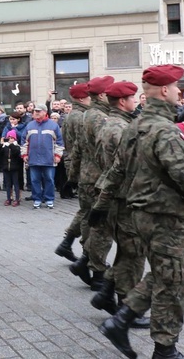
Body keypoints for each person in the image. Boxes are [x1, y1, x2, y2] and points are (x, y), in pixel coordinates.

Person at [99, 65, 184, 359]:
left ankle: (123, 322)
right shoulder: (164, 129)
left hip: (140, 213)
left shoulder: (136, 125)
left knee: (165, 274)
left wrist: (100, 205)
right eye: (176, 87)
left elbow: (117, 170)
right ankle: (163, 349)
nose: (178, 92)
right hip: (163, 215)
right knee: (172, 281)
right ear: (164, 90)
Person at [87, 81, 150, 330]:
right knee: (133, 255)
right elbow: (126, 167)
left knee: (126, 250)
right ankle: (127, 307)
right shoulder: (121, 127)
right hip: (125, 198)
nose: (135, 102)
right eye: (133, 99)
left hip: (115, 195)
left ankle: (106, 293)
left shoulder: (111, 123)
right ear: (123, 102)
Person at [68, 76, 115, 289]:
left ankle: (85, 260)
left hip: (88, 177)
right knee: (101, 226)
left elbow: (77, 148)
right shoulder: (99, 118)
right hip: (98, 179)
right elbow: (104, 152)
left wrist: (73, 175)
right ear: (103, 95)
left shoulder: (87, 114)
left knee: (92, 222)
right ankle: (96, 268)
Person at [54, 83, 91, 262]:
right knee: (89, 211)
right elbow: (80, 146)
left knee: (85, 210)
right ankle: (87, 256)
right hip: (84, 167)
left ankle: (67, 243)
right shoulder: (79, 117)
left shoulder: (72, 116)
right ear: (82, 98)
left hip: (78, 166)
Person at [21, 104, 64, 209]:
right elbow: (24, 142)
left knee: (49, 179)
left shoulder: (53, 126)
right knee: (35, 180)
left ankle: (49, 199)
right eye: (35, 111)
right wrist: (24, 154)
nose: (36, 113)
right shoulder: (30, 125)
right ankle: (37, 199)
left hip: (49, 159)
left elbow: (59, 142)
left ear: (45, 112)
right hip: (33, 158)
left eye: (39, 111)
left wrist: (58, 155)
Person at [2, 130, 22, 206]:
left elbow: (16, 153)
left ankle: (17, 199)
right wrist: (1, 145)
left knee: (16, 184)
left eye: (12, 138)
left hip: (15, 168)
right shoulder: (4, 147)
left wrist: (11, 145)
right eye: (9, 138)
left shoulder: (17, 146)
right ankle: (8, 198)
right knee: (8, 184)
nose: (11, 139)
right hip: (6, 168)